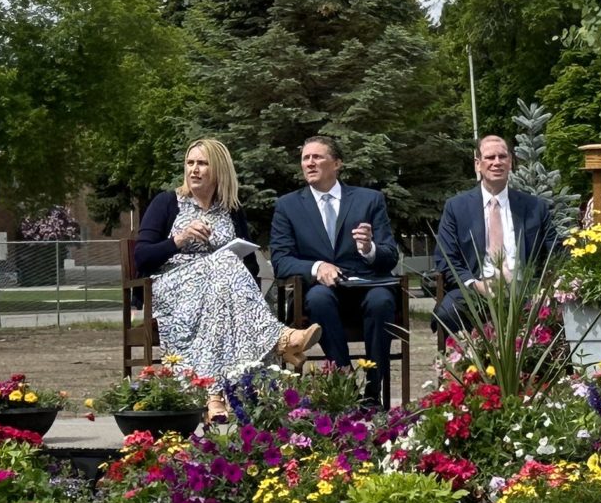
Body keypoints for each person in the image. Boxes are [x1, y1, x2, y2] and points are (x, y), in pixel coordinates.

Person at [133, 139, 320, 394]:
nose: (194, 170)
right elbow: (142, 256)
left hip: (218, 293)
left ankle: (218, 396)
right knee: (225, 261)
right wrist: (180, 239)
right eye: (190, 163)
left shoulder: (231, 209)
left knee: (225, 284)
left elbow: (250, 265)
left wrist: (236, 288)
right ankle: (279, 339)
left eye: (202, 163)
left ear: (219, 169)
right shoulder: (167, 202)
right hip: (172, 287)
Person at [269, 134, 403, 401]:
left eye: (317, 157)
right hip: (321, 293)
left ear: (337, 163)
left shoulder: (369, 200)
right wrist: (317, 267)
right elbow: (281, 260)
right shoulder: (288, 206)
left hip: (367, 287)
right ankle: (345, 383)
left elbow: (390, 256)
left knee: (381, 301)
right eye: (305, 158)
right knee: (319, 298)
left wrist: (369, 249)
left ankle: (373, 391)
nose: (309, 163)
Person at [432, 133, 555, 337]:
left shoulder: (535, 207)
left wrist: (546, 286)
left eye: (502, 156)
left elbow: (555, 251)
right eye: (490, 157)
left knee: (555, 310)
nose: (497, 162)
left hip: (525, 290)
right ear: (477, 164)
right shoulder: (456, 207)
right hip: (477, 289)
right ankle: (463, 358)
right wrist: (475, 284)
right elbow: (446, 258)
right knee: (448, 312)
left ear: (510, 162)